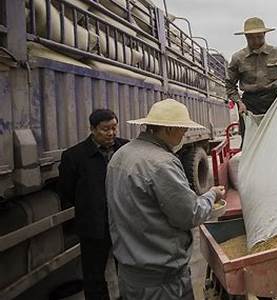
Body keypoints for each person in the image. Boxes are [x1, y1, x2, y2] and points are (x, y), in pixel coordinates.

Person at [106, 99, 225, 300]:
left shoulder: (120, 155)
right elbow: (189, 214)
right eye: (182, 129)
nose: (184, 135)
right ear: (169, 129)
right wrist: (212, 194)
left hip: (129, 276)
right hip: (162, 282)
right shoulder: (162, 163)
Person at [59, 109, 128, 300]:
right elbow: (67, 191)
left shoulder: (126, 149)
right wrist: (92, 204)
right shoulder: (74, 156)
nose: (111, 133)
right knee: (94, 277)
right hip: (93, 226)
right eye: (105, 129)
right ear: (92, 129)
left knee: (127, 271)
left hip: (123, 223)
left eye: (114, 128)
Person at [226, 17, 277, 140]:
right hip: (250, 104)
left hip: (276, 101)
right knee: (251, 142)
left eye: (259, 37)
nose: (256, 41)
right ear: (246, 37)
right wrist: (239, 103)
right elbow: (229, 84)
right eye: (251, 38)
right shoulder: (238, 58)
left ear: (265, 34)